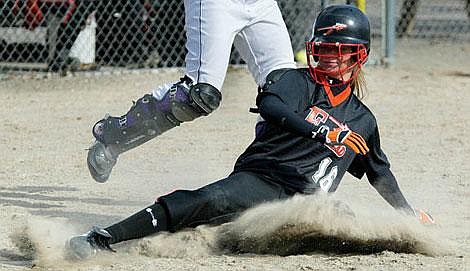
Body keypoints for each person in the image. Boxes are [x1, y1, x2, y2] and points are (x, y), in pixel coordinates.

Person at [68, 5, 435, 260]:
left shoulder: (362, 119)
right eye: (322, 51)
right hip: (263, 180)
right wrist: (325, 134)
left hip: (305, 203)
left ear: (360, 57)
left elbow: (379, 173)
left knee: (341, 228)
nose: (328, 59)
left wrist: (408, 215)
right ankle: (104, 238)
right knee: (208, 199)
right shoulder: (296, 82)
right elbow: (273, 108)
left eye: (340, 52)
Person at [86, 0, 297, 183]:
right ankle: (115, 135)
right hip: (215, 5)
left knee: (288, 90)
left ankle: (271, 171)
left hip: (261, 5)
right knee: (197, 96)